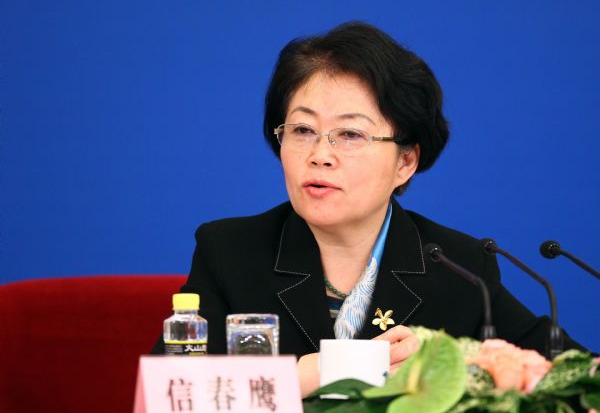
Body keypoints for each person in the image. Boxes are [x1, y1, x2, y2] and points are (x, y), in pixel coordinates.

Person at [152, 21, 587, 396]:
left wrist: (469, 369)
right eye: (302, 130)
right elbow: (172, 393)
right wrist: (328, 370)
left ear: (405, 162)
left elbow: (577, 376)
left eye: (350, 135)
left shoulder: (459, 268)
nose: (320, 155)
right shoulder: (230, 251)